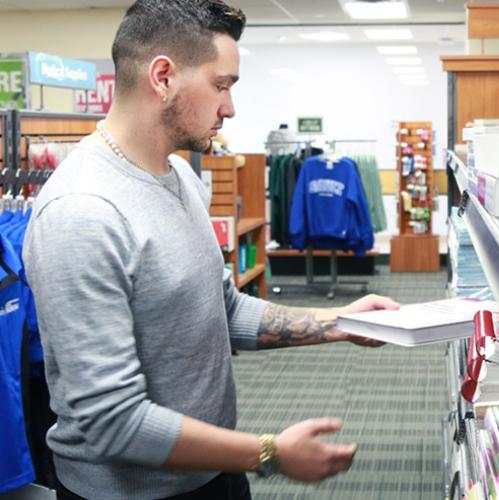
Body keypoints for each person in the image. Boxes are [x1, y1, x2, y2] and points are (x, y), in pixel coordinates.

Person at [22, 1, 400, 499]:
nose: (230, 107)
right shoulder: (82, 212)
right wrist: (269, 453)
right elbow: (110, 420)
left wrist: (340, 324)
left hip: (212, 470)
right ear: (163, 77)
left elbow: (221, 308)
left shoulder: (178, 174)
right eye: (222, 85)